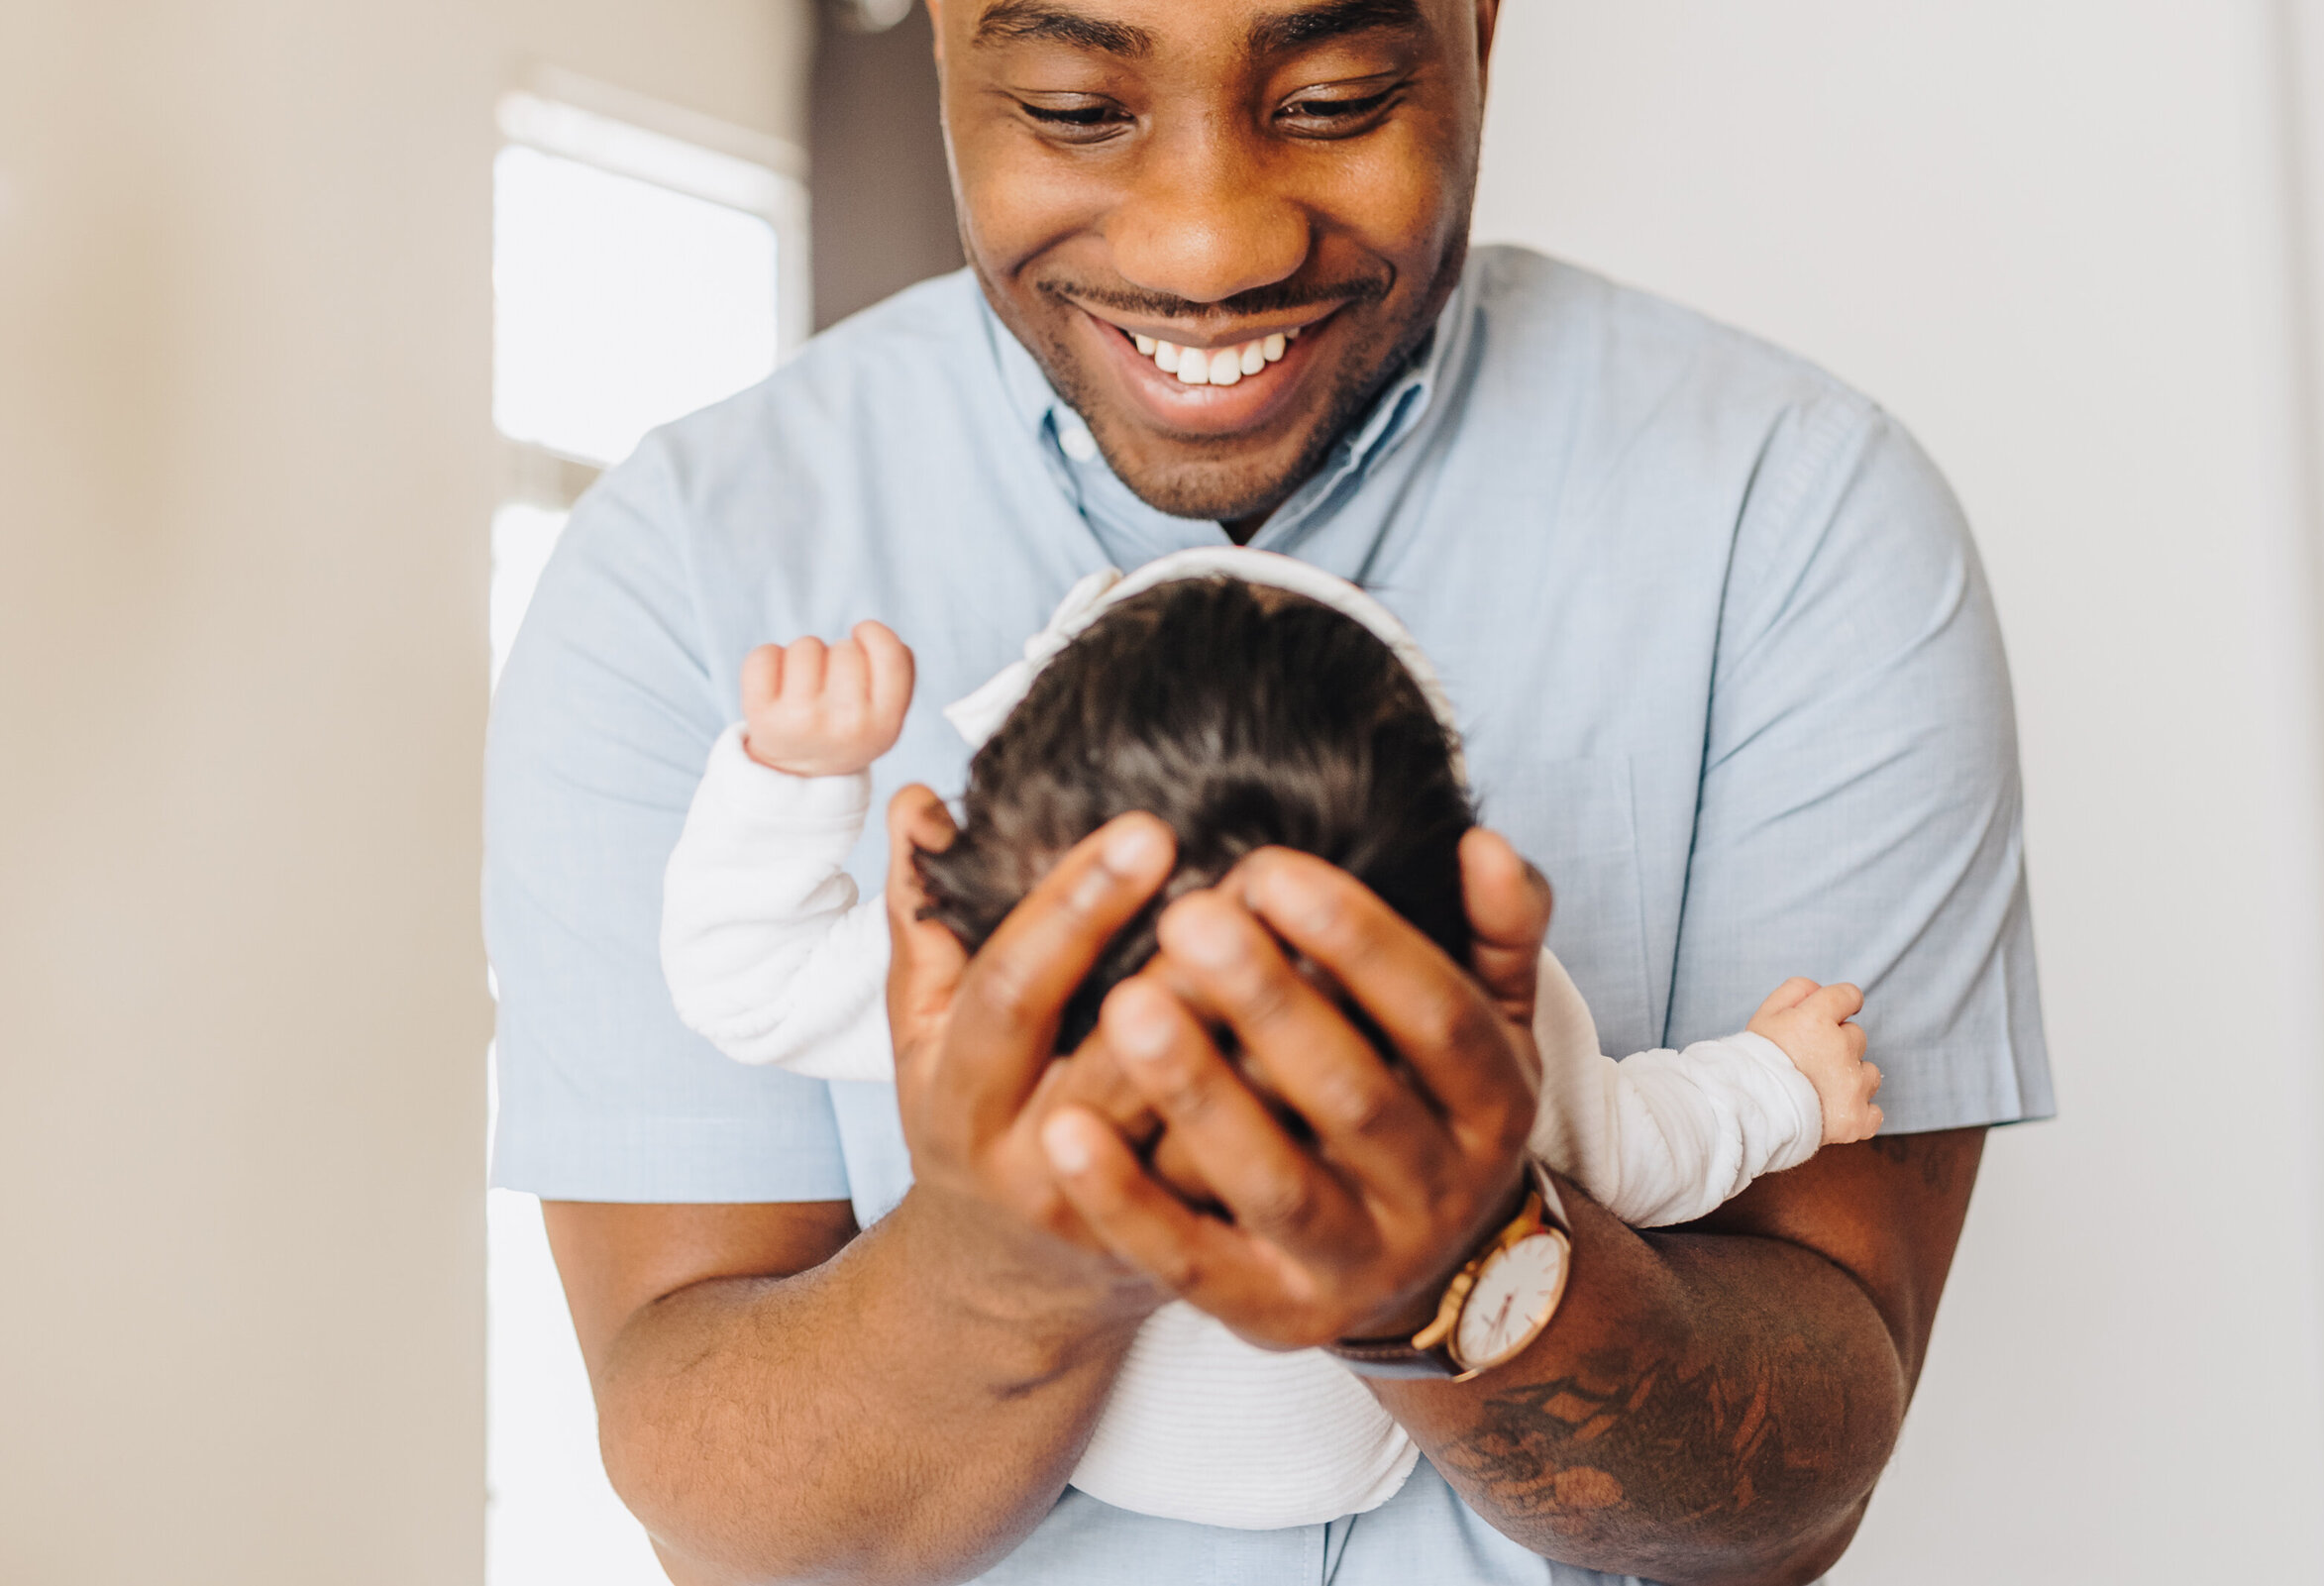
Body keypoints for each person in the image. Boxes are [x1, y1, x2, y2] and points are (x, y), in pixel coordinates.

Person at [483, 0, 2055, 1580]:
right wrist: (1010, 1255)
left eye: (1335, 98)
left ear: (1485, 26)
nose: (1209, 243)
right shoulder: (680, 573)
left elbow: (1795, 1500)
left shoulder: (1799, 520)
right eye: (1078, 108)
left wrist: (1466, 1258)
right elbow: (722, 1517)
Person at [655, 553, 1884, 1531]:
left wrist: (792, 780)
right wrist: (1776, 1084)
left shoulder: (1452, 1034)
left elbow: (750, 977)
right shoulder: (991, 982)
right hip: (1092, 1487)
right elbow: (1631, 1138)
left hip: (1261, 1491)